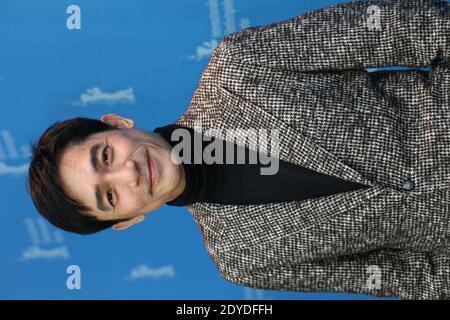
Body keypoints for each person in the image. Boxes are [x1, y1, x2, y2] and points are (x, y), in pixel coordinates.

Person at [27, 0, 450, 299]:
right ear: (127, 220)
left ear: (117, 123)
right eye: (110, 196)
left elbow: (404, 27)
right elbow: (401, 277)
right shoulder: (241, 261)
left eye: (105, 156)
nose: (128, 173)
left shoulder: (239, 65)